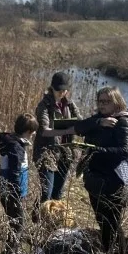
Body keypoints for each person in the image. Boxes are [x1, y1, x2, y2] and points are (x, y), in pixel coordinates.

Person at [62, 86, 128, 254]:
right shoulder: (99, 119)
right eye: (99, 101)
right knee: (103, 222)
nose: (102, 105)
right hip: (96, 179)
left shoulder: (124, 123)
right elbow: (79, 127)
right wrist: (99, 123)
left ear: (116, 102)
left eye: (106, 102)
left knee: (110, 225)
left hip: (114, 181)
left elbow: (125, 151)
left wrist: (97, 151)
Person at [34, 71, 79, 204]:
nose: (61, 93)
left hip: (65, 154)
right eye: (58, 90)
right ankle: (38, 219)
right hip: (47, 154)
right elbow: (44, 131)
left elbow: (81, 121)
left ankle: (52, 223)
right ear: (52, 88)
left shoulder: (70, 105)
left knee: (57, 194)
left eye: (64, 90)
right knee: (46, 193)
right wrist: (67, 130)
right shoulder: (44, 106)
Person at [0, 113, 37, 253]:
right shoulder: (16, 148)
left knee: (11, 219)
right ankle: (13, 251)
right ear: (27, 132)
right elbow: (15, 171)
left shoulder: (10, 142)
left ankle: (9, 247)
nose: (33, 134)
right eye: (32, 132)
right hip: (13, 190)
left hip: (4, 187)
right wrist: (18, 191)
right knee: (18, 222)